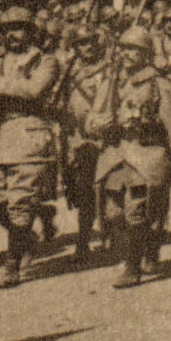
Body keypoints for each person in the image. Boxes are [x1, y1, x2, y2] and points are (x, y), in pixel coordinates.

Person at [86, 24, 171, 288]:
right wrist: (100, 123)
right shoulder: (111, 81)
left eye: (133, 49)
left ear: (146, 54)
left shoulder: (160, 85)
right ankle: (144, 246)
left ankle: (132, 267)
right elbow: (92, 120)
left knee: (137, 212)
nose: (126, 54)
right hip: (115, 154)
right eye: (123, 48)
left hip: (147, 154)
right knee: (113, 214)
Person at [0, 6, 62, 288]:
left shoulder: (45, 61)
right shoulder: (1, 62)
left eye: (19, 28)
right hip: (3, 136)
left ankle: (12, 264)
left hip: (30, 133)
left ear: (31, 32)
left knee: (20, 204)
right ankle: (32, 229)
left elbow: (33, 91)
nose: (13, 35)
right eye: (8, 29)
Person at [55, 24, 108, 260]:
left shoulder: (108, 69)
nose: (86, 47)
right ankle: (84, 240)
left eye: (90, 42)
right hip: (77, 138)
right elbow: (60, 103)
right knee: (82, 190)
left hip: (103, 138)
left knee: (107, 189)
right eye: (81, 43)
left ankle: (110, 235)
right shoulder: (69, 71)